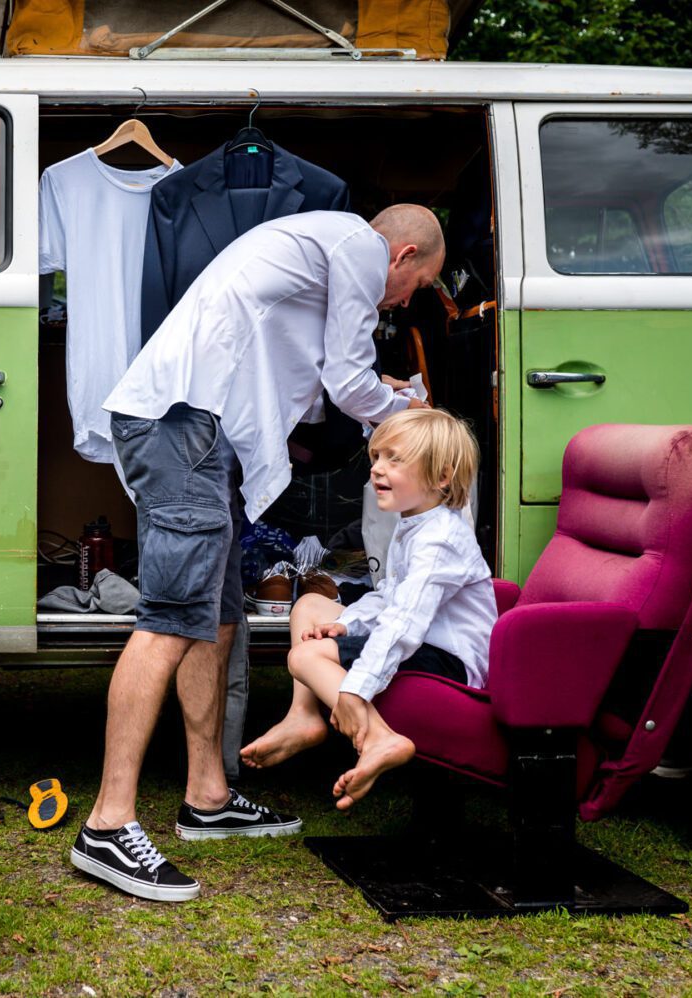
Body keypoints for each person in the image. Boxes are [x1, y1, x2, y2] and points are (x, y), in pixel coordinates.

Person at [70, 205, 444, 902]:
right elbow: (346, 377)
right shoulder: (361, 248)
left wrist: (379, 394)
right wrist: (414, 414)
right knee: (169, 620)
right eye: (417, 285)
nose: (404, 301)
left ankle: (207, 797)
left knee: (215, 620)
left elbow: (314, 381)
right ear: (404, 254)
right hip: (183, 423)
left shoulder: (321, 246)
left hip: (194, 427)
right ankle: (107, 824)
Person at [241, 407, 497, 808]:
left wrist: (357, 689)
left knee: (305, 658)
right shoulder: (414, 523)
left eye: (395, 459)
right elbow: (391, 596)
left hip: (450, 659)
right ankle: (303, 716)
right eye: (377, 456)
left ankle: (380, 737)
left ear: (442, 477)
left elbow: (404, 623)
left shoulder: (440, 540)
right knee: (310, 605)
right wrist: (350, 624)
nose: (377, 469)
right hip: (424, 639)